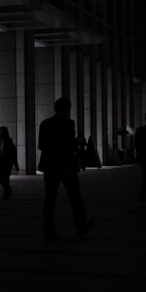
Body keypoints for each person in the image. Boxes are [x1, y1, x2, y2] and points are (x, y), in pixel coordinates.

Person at [38, 97, 93, 242]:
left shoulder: (44, 123)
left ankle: (48, 231)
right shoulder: (69, 123)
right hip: (66, 167)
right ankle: (81, 225)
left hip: (50, 166)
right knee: (75, 197)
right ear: (68, 109)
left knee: (50, 199)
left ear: (55, 108)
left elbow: (41, 146)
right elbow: (69, 147)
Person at [0, 126, 19, 200]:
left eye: (3, 131)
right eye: (0, 131)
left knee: (6, 178)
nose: (1, 133)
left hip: (8, 162)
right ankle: (8, 188)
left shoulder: (9, 141)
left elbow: (13, 154)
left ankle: (6, 193)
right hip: (1, 162)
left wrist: (16, 165)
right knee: (0, 178)